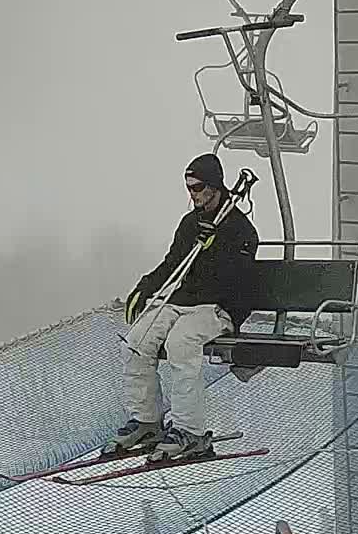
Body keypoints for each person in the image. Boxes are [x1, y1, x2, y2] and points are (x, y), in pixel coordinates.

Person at [104, 153, 260, 461]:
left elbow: (241, 284)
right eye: (189, 188)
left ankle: (191, 431)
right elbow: (173, 263)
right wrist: (146, 286)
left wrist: (217, 248)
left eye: (199, 187)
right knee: (136, 342)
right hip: (182, 301)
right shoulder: (192, 224)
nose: (194, 194)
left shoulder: (240, 229)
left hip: (218, 308)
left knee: (180, 343)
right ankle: (147, 421)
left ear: (216, 185)